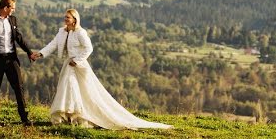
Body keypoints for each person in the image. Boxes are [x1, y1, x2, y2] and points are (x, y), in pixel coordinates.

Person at [31, 9, 171, 130]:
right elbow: (53, 44)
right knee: (67, 88)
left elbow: (89, 48)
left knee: (80, 90)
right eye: (65, 17)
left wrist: (77, 60)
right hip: (68, 64)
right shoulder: (62, 32)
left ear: (74, 19)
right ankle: (67, 116)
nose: (65, 19)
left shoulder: (81, 33)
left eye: (68, 17)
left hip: (78, 65)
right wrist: (40, 53)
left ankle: (79, 117)